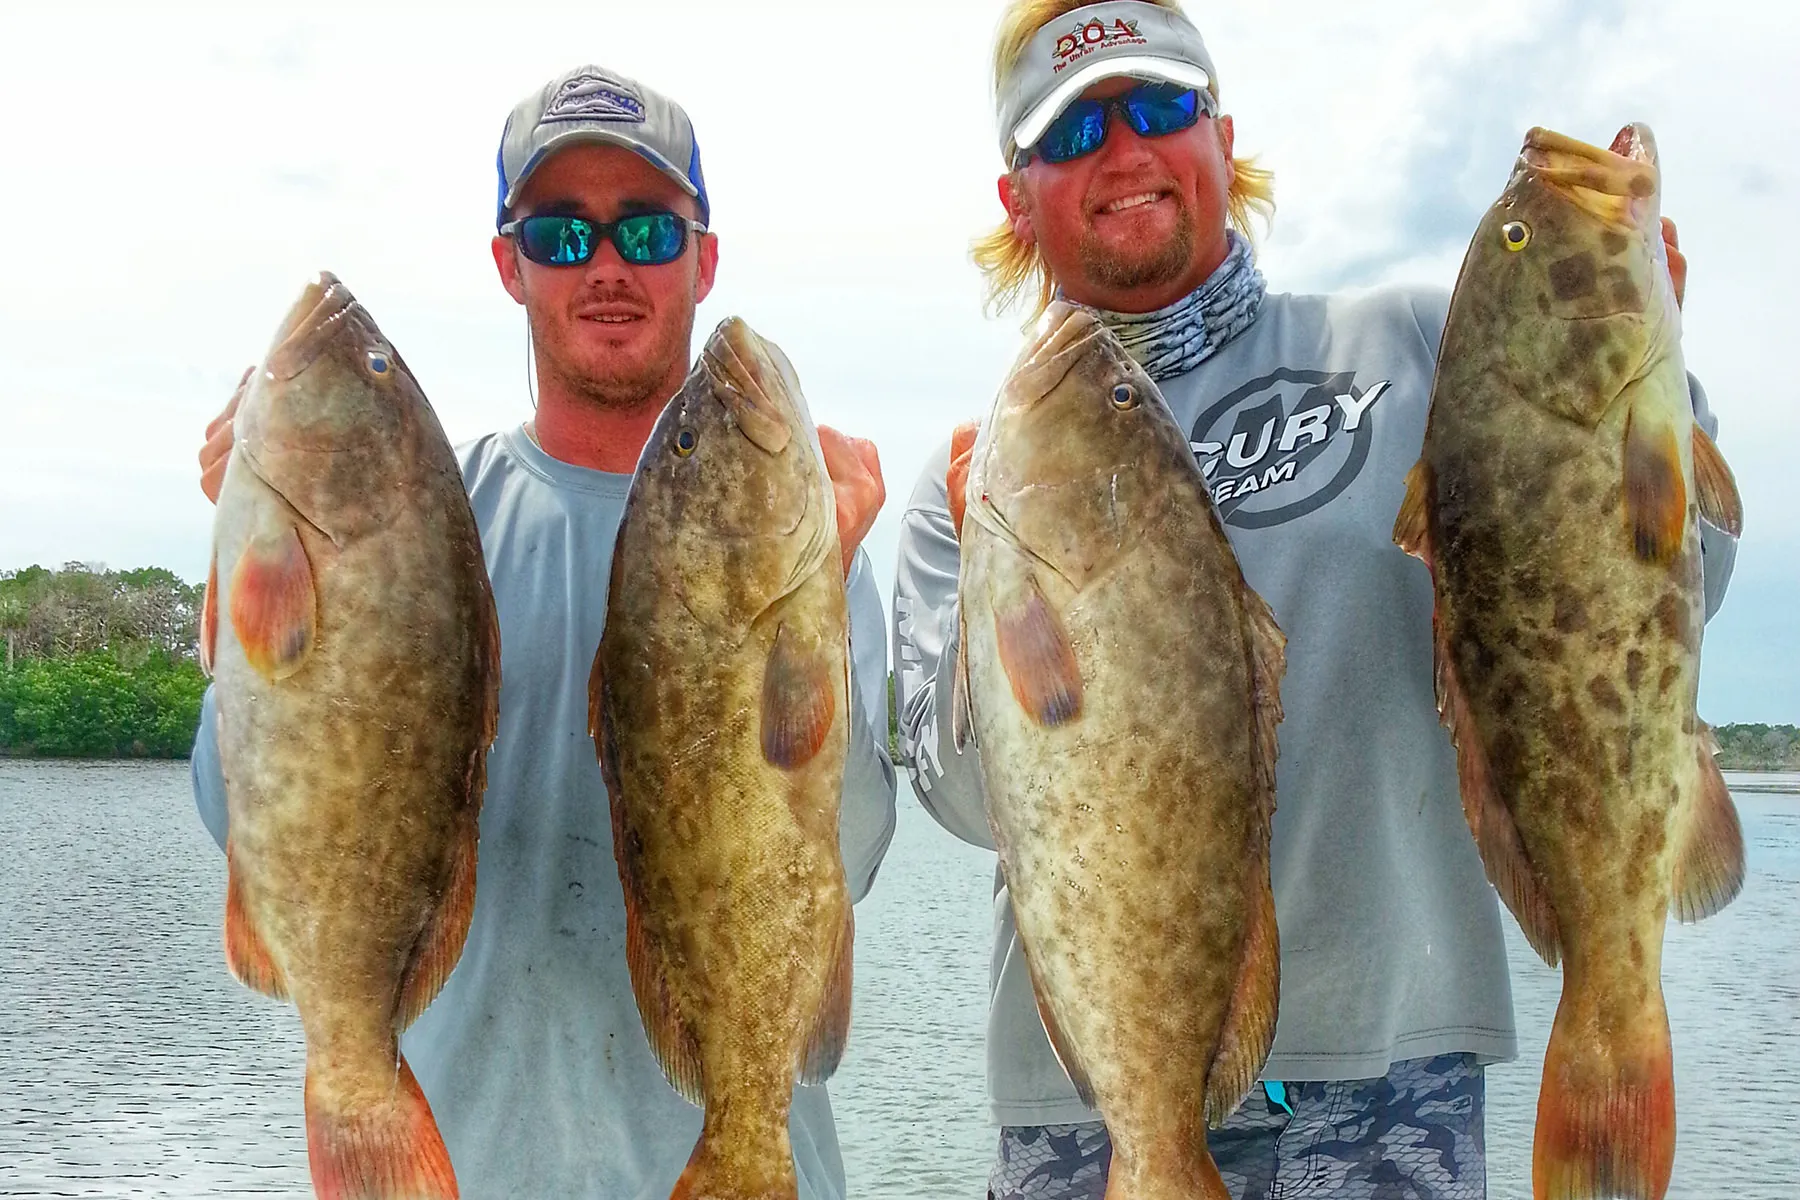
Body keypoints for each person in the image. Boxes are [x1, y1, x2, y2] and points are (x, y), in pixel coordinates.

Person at [889, 4, 1738, 1198]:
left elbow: (1639, 601)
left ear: (1223, 138)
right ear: (1016, 197)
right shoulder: (972, 485)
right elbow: (965, 797)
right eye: (1072, 130)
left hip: (1393, 1073)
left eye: (1161, 107)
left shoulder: (1419, 346)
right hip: (1099, 1098)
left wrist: (1649, 380)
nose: (1124, 148)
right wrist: (1007, 599)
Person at [192, 64, 897, 1200]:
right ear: (509, 264)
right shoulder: (417, 522)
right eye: (562, 233)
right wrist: (247, 579)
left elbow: (848, 854)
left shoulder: (797, 535)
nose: (607, 265)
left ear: (704, 258)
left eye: (647, 231)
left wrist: (832, 583)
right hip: (457, 1168)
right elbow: (242, 816)